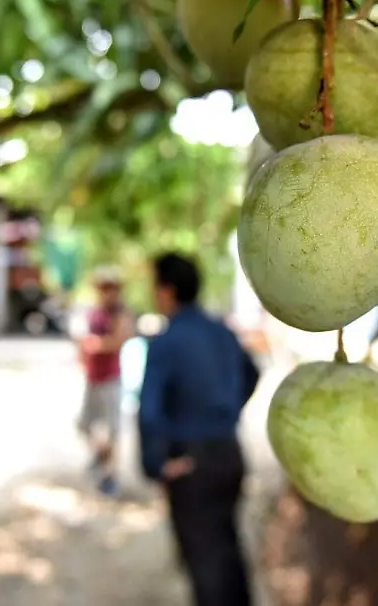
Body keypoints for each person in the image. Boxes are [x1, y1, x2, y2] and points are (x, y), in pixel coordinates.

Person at [139, 253, 259, 606]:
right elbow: (252, 373)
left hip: (191, 464)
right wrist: (226, 412)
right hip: (229, 454)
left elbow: (149, 412)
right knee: (227, 548)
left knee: (205, 563)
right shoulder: (222, 332)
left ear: (167, 290)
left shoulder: (166, 342)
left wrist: (156, 465)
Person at [75, 267, 134, 497]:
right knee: (84, 424)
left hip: (110, 378)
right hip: (94, 377)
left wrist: (96, 344)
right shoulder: (95, 312)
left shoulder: (120, 314)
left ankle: (111, 474)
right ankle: (101, 457)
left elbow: (120, 339)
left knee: (113, 430)